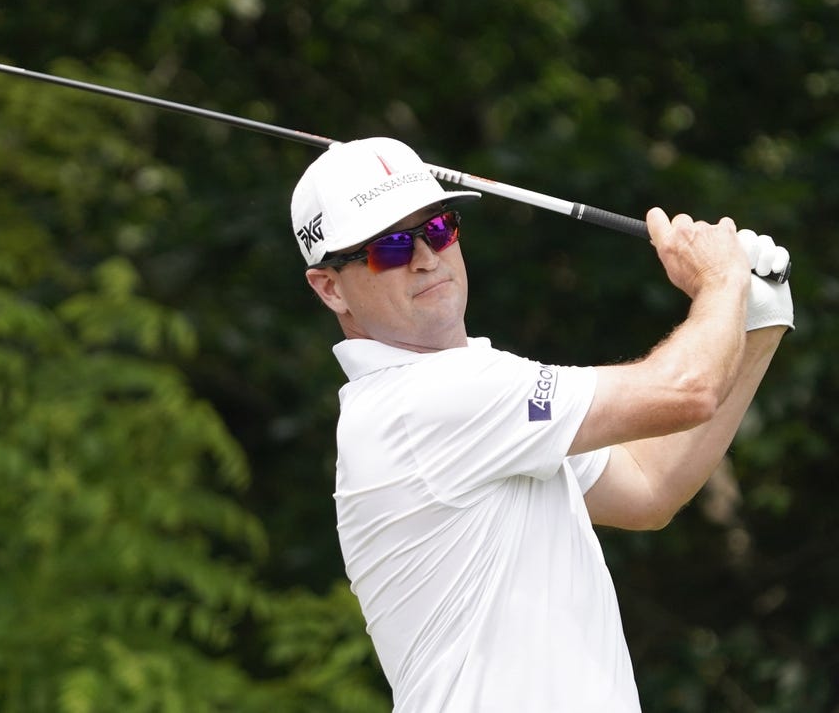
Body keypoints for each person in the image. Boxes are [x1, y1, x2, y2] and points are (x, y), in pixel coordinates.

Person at [290, 137, 793, 712]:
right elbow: (687, 390)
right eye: (391, 247)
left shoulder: (468, 403)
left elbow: (648, 487)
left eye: (438, 229)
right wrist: (721, 282)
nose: (426, 257)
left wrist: (756, 319)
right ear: (330, 287)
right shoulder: (423, 399)